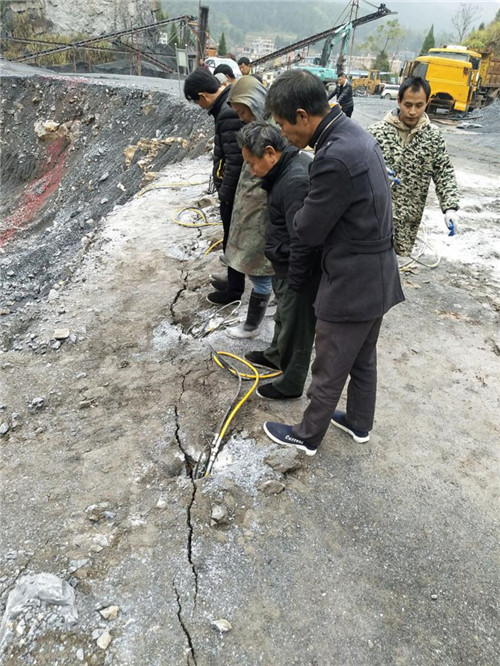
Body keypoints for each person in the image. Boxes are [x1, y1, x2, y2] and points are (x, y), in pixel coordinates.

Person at [262, 69, 405, 456]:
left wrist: (296, 212)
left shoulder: (334, 157)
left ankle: (307, 435)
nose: (284, 134)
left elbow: (306, 229)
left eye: (282, 124)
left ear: (303, 116)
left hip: (352, 279)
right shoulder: (353, 135)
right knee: (361, 356)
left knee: (329, 359)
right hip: (376, 272)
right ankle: (359, 422)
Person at [237, 121, 321, 400]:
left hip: (297, 268)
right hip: (284, 261)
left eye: (252, 163)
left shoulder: (295, 181)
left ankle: (292, 383)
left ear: (271, 153)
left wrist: (296, 281)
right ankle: (275, 355)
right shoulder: (284, 171)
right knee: (285, 315)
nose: (251, 170)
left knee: (298, 324)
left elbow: (304, 239)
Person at [368, 76, 460, 257]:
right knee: (371, 269)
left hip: (407, 219)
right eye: (408, 104)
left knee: (394, 268)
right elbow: (355, 169)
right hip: (374, 218)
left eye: (419, 105)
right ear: (399, 101)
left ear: (427, 103)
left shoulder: (433, 137)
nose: (412, 111)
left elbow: (444, 171)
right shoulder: (376, 133)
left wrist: (450, 208)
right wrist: (374, 174)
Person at [183, 68, 245, 303]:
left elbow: (235, 160)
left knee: (233, 238)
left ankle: (234, 291)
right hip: (232, 189)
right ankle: (232, 280)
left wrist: (226, 194)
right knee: (232, 238)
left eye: (196, 102)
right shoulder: (227, 105)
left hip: (234, 191)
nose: (200, 107)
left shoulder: (227, 112)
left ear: (202, 96)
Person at [220, 76, 275, 338]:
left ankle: (252, 325)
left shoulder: (272, 131)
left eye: (243, 112)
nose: (241, 118)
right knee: (256, 264)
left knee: (261, 269)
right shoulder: (258, 127)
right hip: (251, 208)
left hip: (262, 212)